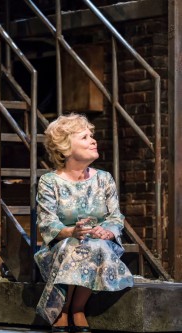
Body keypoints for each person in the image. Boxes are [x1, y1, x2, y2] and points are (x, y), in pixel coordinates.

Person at [34, 113, 134, 333]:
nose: (93, 140)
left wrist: (107, 231)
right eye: (84, 137)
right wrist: (71, 231)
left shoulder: (104, 179)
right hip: (60, 247)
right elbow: (47, 222)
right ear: (66, 148)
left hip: (100, 246)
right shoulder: (49, 182)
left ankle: (75, 308)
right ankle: (65, 308)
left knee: (93, 245)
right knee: (78, 246)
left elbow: (115, 216)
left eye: (92, 135)